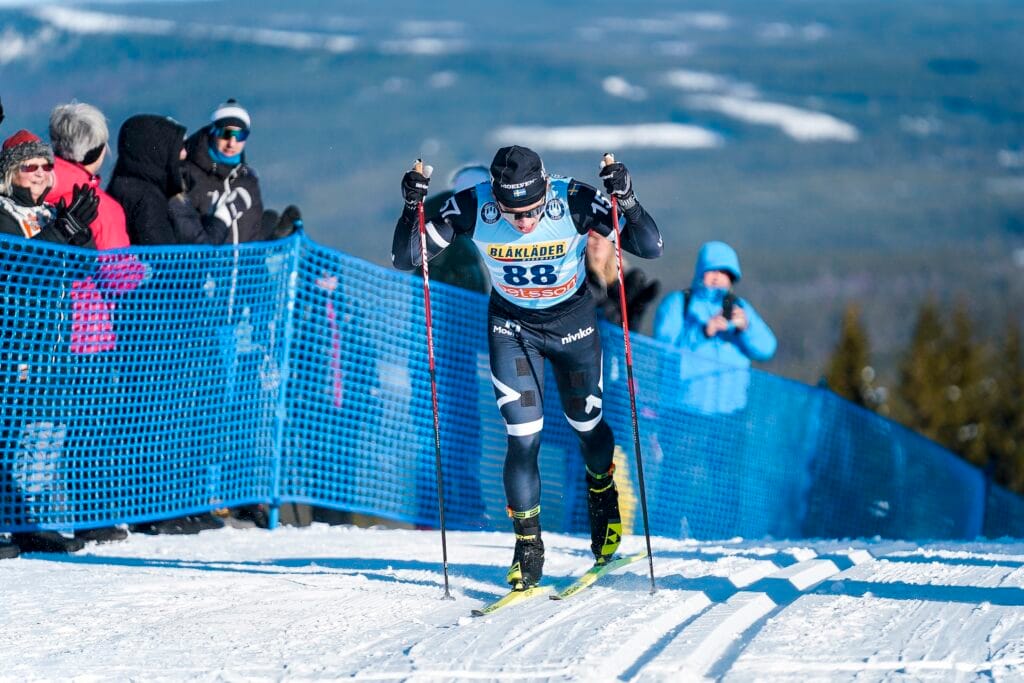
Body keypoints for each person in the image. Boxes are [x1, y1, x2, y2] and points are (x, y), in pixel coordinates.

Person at [392, 145, 663, 590]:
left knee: (587, 426)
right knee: (522, 438)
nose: (523, 221)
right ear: (495, 198)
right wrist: (411, 207)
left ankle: (602, 498)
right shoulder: (474, 205)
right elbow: (407, 257)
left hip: (572, 324)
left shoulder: (573, 199)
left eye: (532, 210)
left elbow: (650, 246)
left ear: (545, 190)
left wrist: (627, 199)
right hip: (512, 327)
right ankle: (528, 546)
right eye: (512, 212)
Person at [48, 102, 145, 545]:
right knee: (90, 426)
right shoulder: (100, 206)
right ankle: (91, 514)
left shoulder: (38, 184)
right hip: (88, 333)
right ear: (96, 151)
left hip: (41, 330)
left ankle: (30, 512)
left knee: (38, 427)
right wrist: (147, 270)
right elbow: (118, 275)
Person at [0, 129, 99, 554]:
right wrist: (63, 230)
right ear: (10, 173)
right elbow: (17, 264)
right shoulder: (4, 215)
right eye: (30, 166)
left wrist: (79, 232)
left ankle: (28, 517)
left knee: (46, 429)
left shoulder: (48, 215)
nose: (40, 173)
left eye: (45, 165)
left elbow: (83, 270)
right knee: (10, 431)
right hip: (14, 344)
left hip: (53, 343)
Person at [650, 241, 776, 538]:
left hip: (730, 413)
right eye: (712, 271)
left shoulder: (741, 309)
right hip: (685, 412)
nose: (718, 277)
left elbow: (767, 348)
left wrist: (746, 328)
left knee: (725, 481)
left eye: (725, 272)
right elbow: (664, 347)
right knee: (680, 478)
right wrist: (703, 331)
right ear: (700, 272)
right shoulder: (678, 305)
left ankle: (719, 539)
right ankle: (664, 535)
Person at [107, 114, 228, 246]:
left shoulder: (121, 186)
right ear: (158, 151)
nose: (184, 153)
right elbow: (161, 252)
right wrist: (219, 221)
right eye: (178, 147)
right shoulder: (148, 199)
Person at [182, 99, 267, 244]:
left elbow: (254, 233)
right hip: (204, 259)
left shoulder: (248, 180)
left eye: (240, 136)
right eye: (226, 134)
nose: (232, 143)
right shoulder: (189, 173)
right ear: (214, 132)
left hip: (245, 260)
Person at [585, 233, 660, 329]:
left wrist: (638, 307)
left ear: (612, 243)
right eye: (592, 237)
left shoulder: (627, 277)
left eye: (604, 236)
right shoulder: (579, 277)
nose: (598, 242)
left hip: (617, 334)